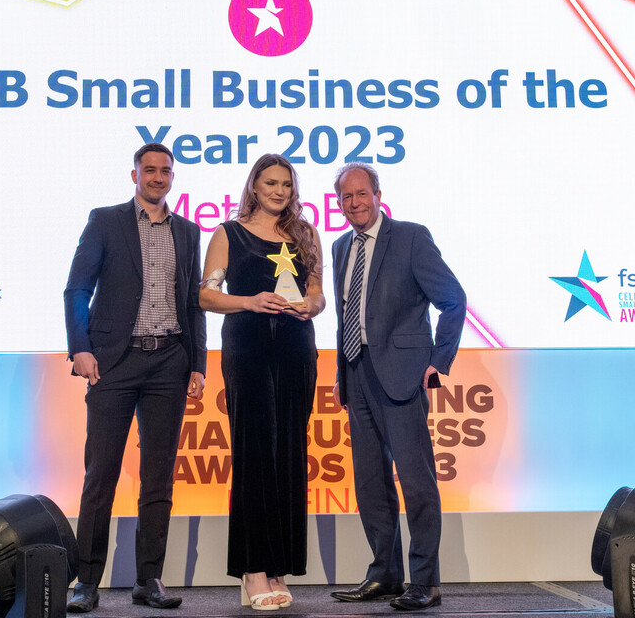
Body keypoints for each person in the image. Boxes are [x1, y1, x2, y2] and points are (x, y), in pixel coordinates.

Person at [63, 143, 207, 612]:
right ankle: (87, 582)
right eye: (150, 170)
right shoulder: (106, 221)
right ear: (135, 175)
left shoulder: (188, 231)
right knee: (100, 475)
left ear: (173, 177)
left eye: (165, 170)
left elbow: (193, 303)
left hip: (169, 362)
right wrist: (81, 348)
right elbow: (77, 289)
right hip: (114, 362)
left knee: (158, 479)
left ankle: (149, 580)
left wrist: (198, 363)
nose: (158, 177)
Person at [328, 162, 465, 611]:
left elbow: (453, 300)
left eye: (361, 194)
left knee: (416, 481)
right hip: (357, 374)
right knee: (370, 483)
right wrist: (341, 373)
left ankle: (425, 581)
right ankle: (384, 574)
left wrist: (438, 361)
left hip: (403, 374)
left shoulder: (410, 237)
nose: (354, 203)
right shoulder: (340, 246)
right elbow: (347, 316)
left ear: (378, 195)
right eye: (346, 197)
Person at [199, 153, 326, 611]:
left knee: (289, 453)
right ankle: (253, 569)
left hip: (296, 349)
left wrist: (311, 307)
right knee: (254, 453)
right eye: (270, 182)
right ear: (254, 185)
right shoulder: (227, 233)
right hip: (248, 349)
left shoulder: (307, 234)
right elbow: (206, 295)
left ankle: (278, 567)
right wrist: (250, 302)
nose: (279, 191)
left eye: (286, 184)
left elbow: (317, 294)